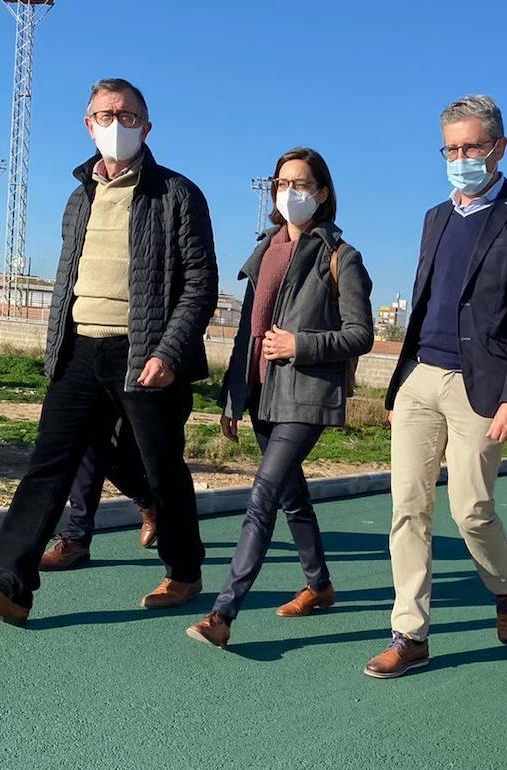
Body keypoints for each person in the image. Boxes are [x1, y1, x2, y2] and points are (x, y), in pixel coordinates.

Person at [0, 78, 218, 623]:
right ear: (88, 125)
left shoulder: (178, 194)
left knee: (162, 471)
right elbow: (70, 276)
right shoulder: (79, 195)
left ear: (147, 125)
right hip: (80, 354)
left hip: (147, 357)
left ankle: (184, 572)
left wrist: (168, 351)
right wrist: (55, 350)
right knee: (47, 467)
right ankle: (9, 588)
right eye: (104, 115)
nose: (116, 125)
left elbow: (200, 284)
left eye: (128, 115)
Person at [364, 95, 507, 680]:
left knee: (471, 508)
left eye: (471, 147)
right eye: (451, 148)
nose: (461, 157)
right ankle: (409, 633)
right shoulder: (435, 217)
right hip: (422, 374)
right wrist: (399, 387)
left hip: (484, 384)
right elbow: (421, 304)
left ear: (499, 148)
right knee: (407, 510)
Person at [186, 148, 374, 648]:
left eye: (302, 183)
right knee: (293, 497)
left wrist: (301, 343)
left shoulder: (341, 256)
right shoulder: (266, 249)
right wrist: (233, 397)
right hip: (261, 394)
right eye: (282, 182)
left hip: (305, 395)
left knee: (263, 496)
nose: (290, 192)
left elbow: (361, 335)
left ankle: (223, 613)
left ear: (323, 193)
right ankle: (320, 585)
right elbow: (248, 332)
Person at [38, 417, 160, 571]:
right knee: (88, 443)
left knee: (120, 454)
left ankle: (151, 503)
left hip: (145, 398)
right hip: (92, 397)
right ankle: (76, 539)